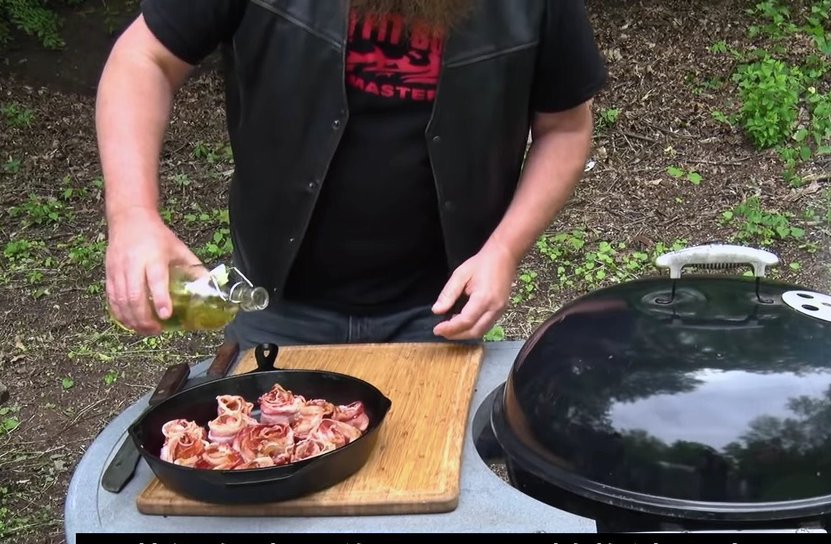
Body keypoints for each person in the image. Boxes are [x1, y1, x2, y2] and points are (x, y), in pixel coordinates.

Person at [97, 0, 608, 349]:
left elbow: (564, 128)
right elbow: (144, 59)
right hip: (275, 305)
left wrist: (504, 250)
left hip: (440, 311)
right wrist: (134, 217)